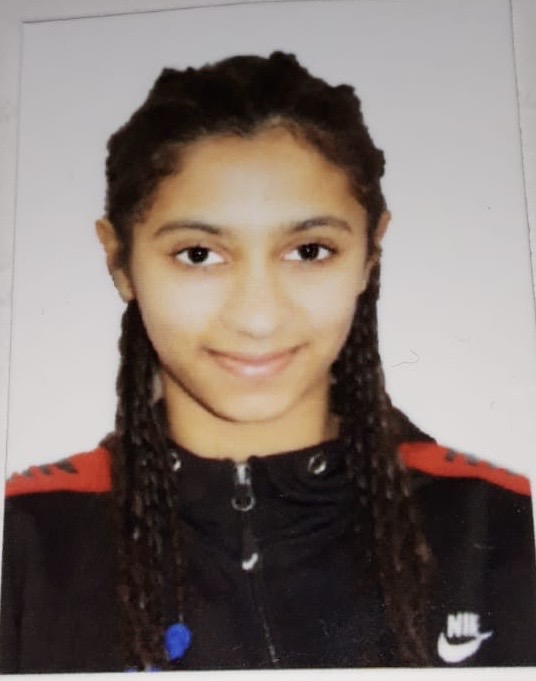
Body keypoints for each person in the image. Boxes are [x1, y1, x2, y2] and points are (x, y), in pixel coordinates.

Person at [1, 51, 535, 673]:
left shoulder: (498, 522)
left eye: (309, 251)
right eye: (199, 254)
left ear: (370, 254)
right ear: (119, 261)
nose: (258, 317)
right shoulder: (28, 536)